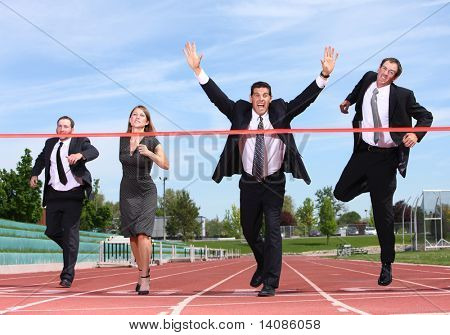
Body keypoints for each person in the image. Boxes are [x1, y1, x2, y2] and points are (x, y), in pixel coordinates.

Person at [184, 42, 338, 297]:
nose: (262, 99)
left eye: (265, 95)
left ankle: (270, 281)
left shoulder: (281, 110)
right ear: (251, 98)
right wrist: (198, 70)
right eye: (257, 95)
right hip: (249, 182)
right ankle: (263, 263)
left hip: (274, 182)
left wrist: (324, 75)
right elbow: (217, 97)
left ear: (270, 98)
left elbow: (305, 99)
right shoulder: (239, 111)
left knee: (273, 231)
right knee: (249, 230)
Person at [334, 58, 433, 286]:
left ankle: (387, 264)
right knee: (341, 193)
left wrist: (416, 134)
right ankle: (370, 184)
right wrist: (347, 102)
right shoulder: (369, 77)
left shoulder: (403, 95)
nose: (384, 74)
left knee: (383, 216)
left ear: (395, 78)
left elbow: (426, 116)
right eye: (384, 69)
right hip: (363, 152)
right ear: (378, 68)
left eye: (391, 73)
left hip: (387, 158)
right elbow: (358, 91)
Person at [30, 116, 99, 288]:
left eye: (66, 126)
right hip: (54, 194)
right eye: (59, 126)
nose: (62, 129)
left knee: (70, 233)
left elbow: (94, 151)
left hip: (73, 194)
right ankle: (71, 249)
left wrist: (80, 155)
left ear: (72, 130)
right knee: (51, 231)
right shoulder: (50, 143)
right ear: (56, 128)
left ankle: (67, 276)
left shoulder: (80, 141)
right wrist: (34, 174)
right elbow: (40, 159)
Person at [119, 105, 169, 295]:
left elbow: (165, 164)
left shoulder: (152, 140)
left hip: (146, 190)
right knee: (132, 235)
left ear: (147, 121)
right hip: (127, 190)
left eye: (142, 115)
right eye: (134, 115)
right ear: (130, 119)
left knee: (142, 234)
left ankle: (146, 277)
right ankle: (141, 273)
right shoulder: (122, 139)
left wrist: (149, 153)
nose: (137, 117)